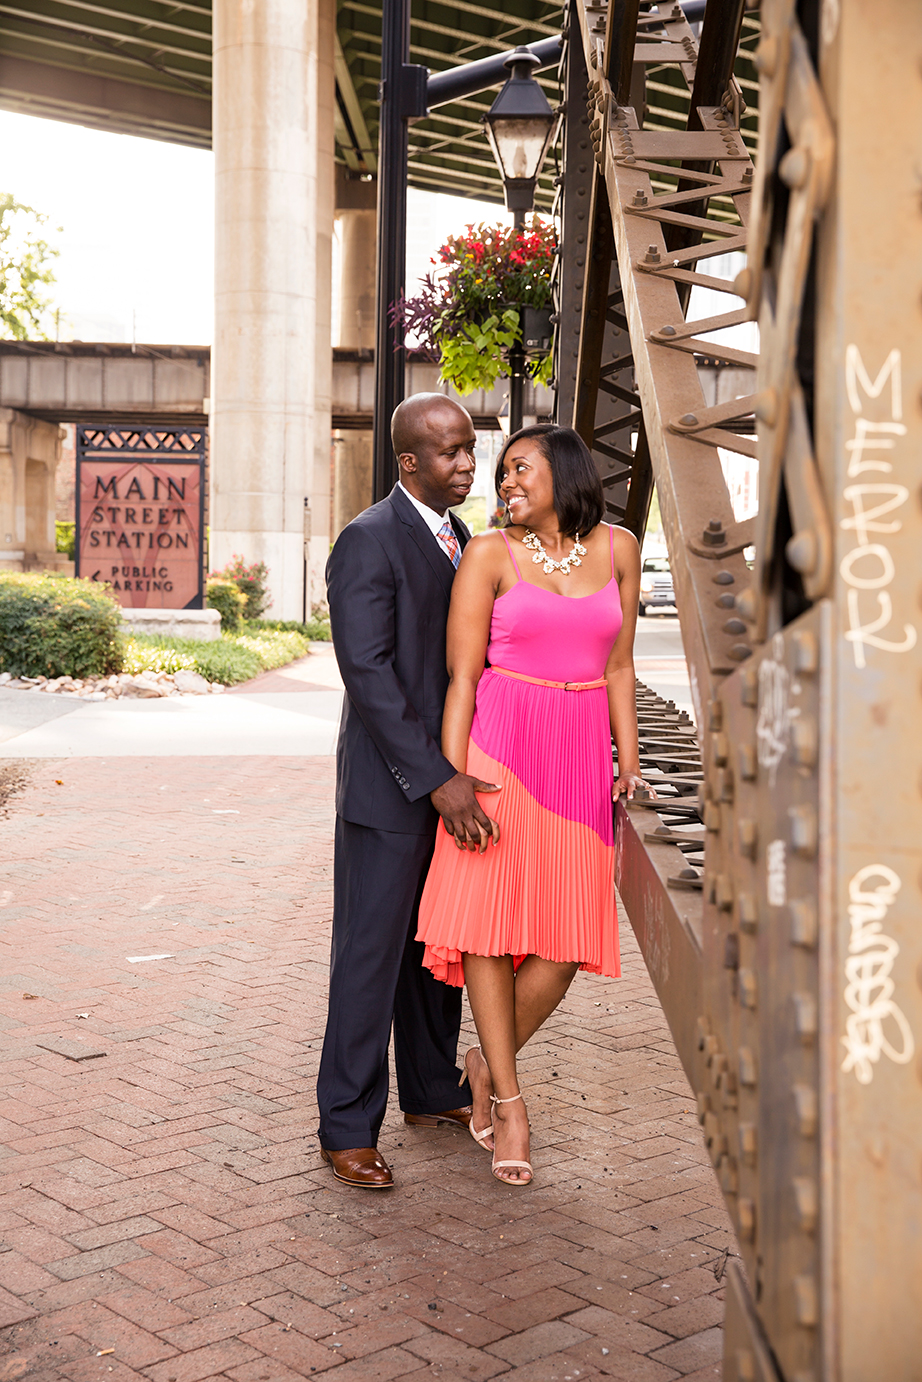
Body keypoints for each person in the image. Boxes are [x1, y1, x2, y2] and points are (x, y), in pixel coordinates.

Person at [416, 424, 651, 1186]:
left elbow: (620, 667)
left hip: (581, 752)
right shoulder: (490, 555)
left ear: (566, 470)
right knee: (488, 926)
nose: (504, 482)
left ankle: (486, 1058)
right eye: (502, 472)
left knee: (567, 937)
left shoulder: (618, 549)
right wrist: (451, 784)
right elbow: (462, 679)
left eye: (520, 467)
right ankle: (512, 1104)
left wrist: (632, 764)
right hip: (500, 748)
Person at [316, 393, 502, 1190]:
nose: (467, 464)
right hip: (394, 796)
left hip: (454, 787)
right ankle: (346, 1125)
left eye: (470, 449)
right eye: (450, 452)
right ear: (408, 463)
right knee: (369, 956)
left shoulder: (463, 540)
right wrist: (436, 781)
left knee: (436, 952)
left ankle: (431, 1090)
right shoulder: (367, 541)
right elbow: (369, 675)